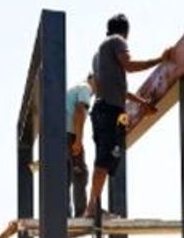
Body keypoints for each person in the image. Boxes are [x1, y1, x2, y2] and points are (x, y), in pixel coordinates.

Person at [83, 13, 174, 218]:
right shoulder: (117, 41)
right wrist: (161, 59)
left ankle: (92, 206)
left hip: (102, 109)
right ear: (126, 31)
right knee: (104, 160)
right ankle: (92, 208)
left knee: (105, 159)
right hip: (110, 111)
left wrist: (142, 103)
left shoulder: (99, 55)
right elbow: (130, 66)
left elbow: (118, 89)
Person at [65, 74, 97, 217]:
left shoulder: (75, 88)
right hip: (70, 135)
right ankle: (81, 212)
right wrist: (78, 140)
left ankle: (64, 214)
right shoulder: (85, 88)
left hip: (59, 137)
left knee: (65, 176)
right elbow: (79, 111)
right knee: (80, 174)